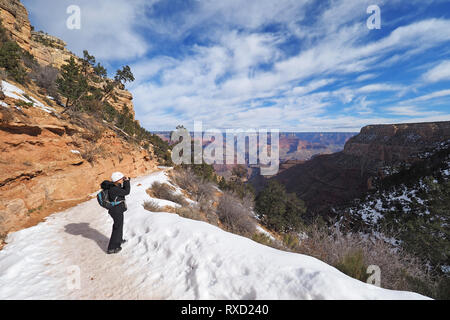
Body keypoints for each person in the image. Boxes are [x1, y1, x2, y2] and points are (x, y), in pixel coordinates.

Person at [101, 172, 131, 254]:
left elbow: (122, 190)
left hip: (116, 209)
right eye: (121, 178)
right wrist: (127, 182)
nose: (122, 179)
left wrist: (126, 181)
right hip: (116, 210)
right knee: (117, 227)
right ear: (117, 180)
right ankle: (112, 248)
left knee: (119, 225)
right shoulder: (114, 189)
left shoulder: (114, 186)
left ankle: (119, 240)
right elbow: (126, 192)